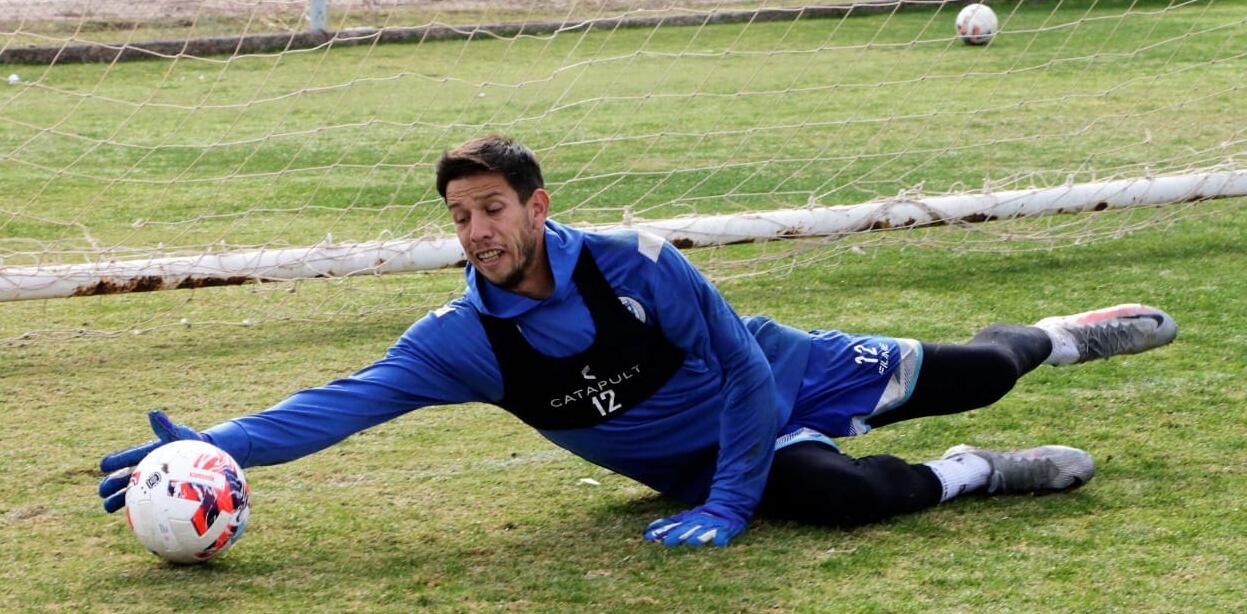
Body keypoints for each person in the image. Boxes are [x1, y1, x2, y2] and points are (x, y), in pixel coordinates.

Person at [98, 135, 1178, 548]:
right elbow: (335, 403)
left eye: (490, 209)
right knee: (846, 501)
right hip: (703, 455)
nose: (475, 233)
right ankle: (980, 475)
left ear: (534, 203)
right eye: (457, 217)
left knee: (979, 372)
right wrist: (210, 446)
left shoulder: (637, 263)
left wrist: (722, 504)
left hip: (778, 371)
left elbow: (747, 372)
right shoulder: (462, 342)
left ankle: (1051, 336)